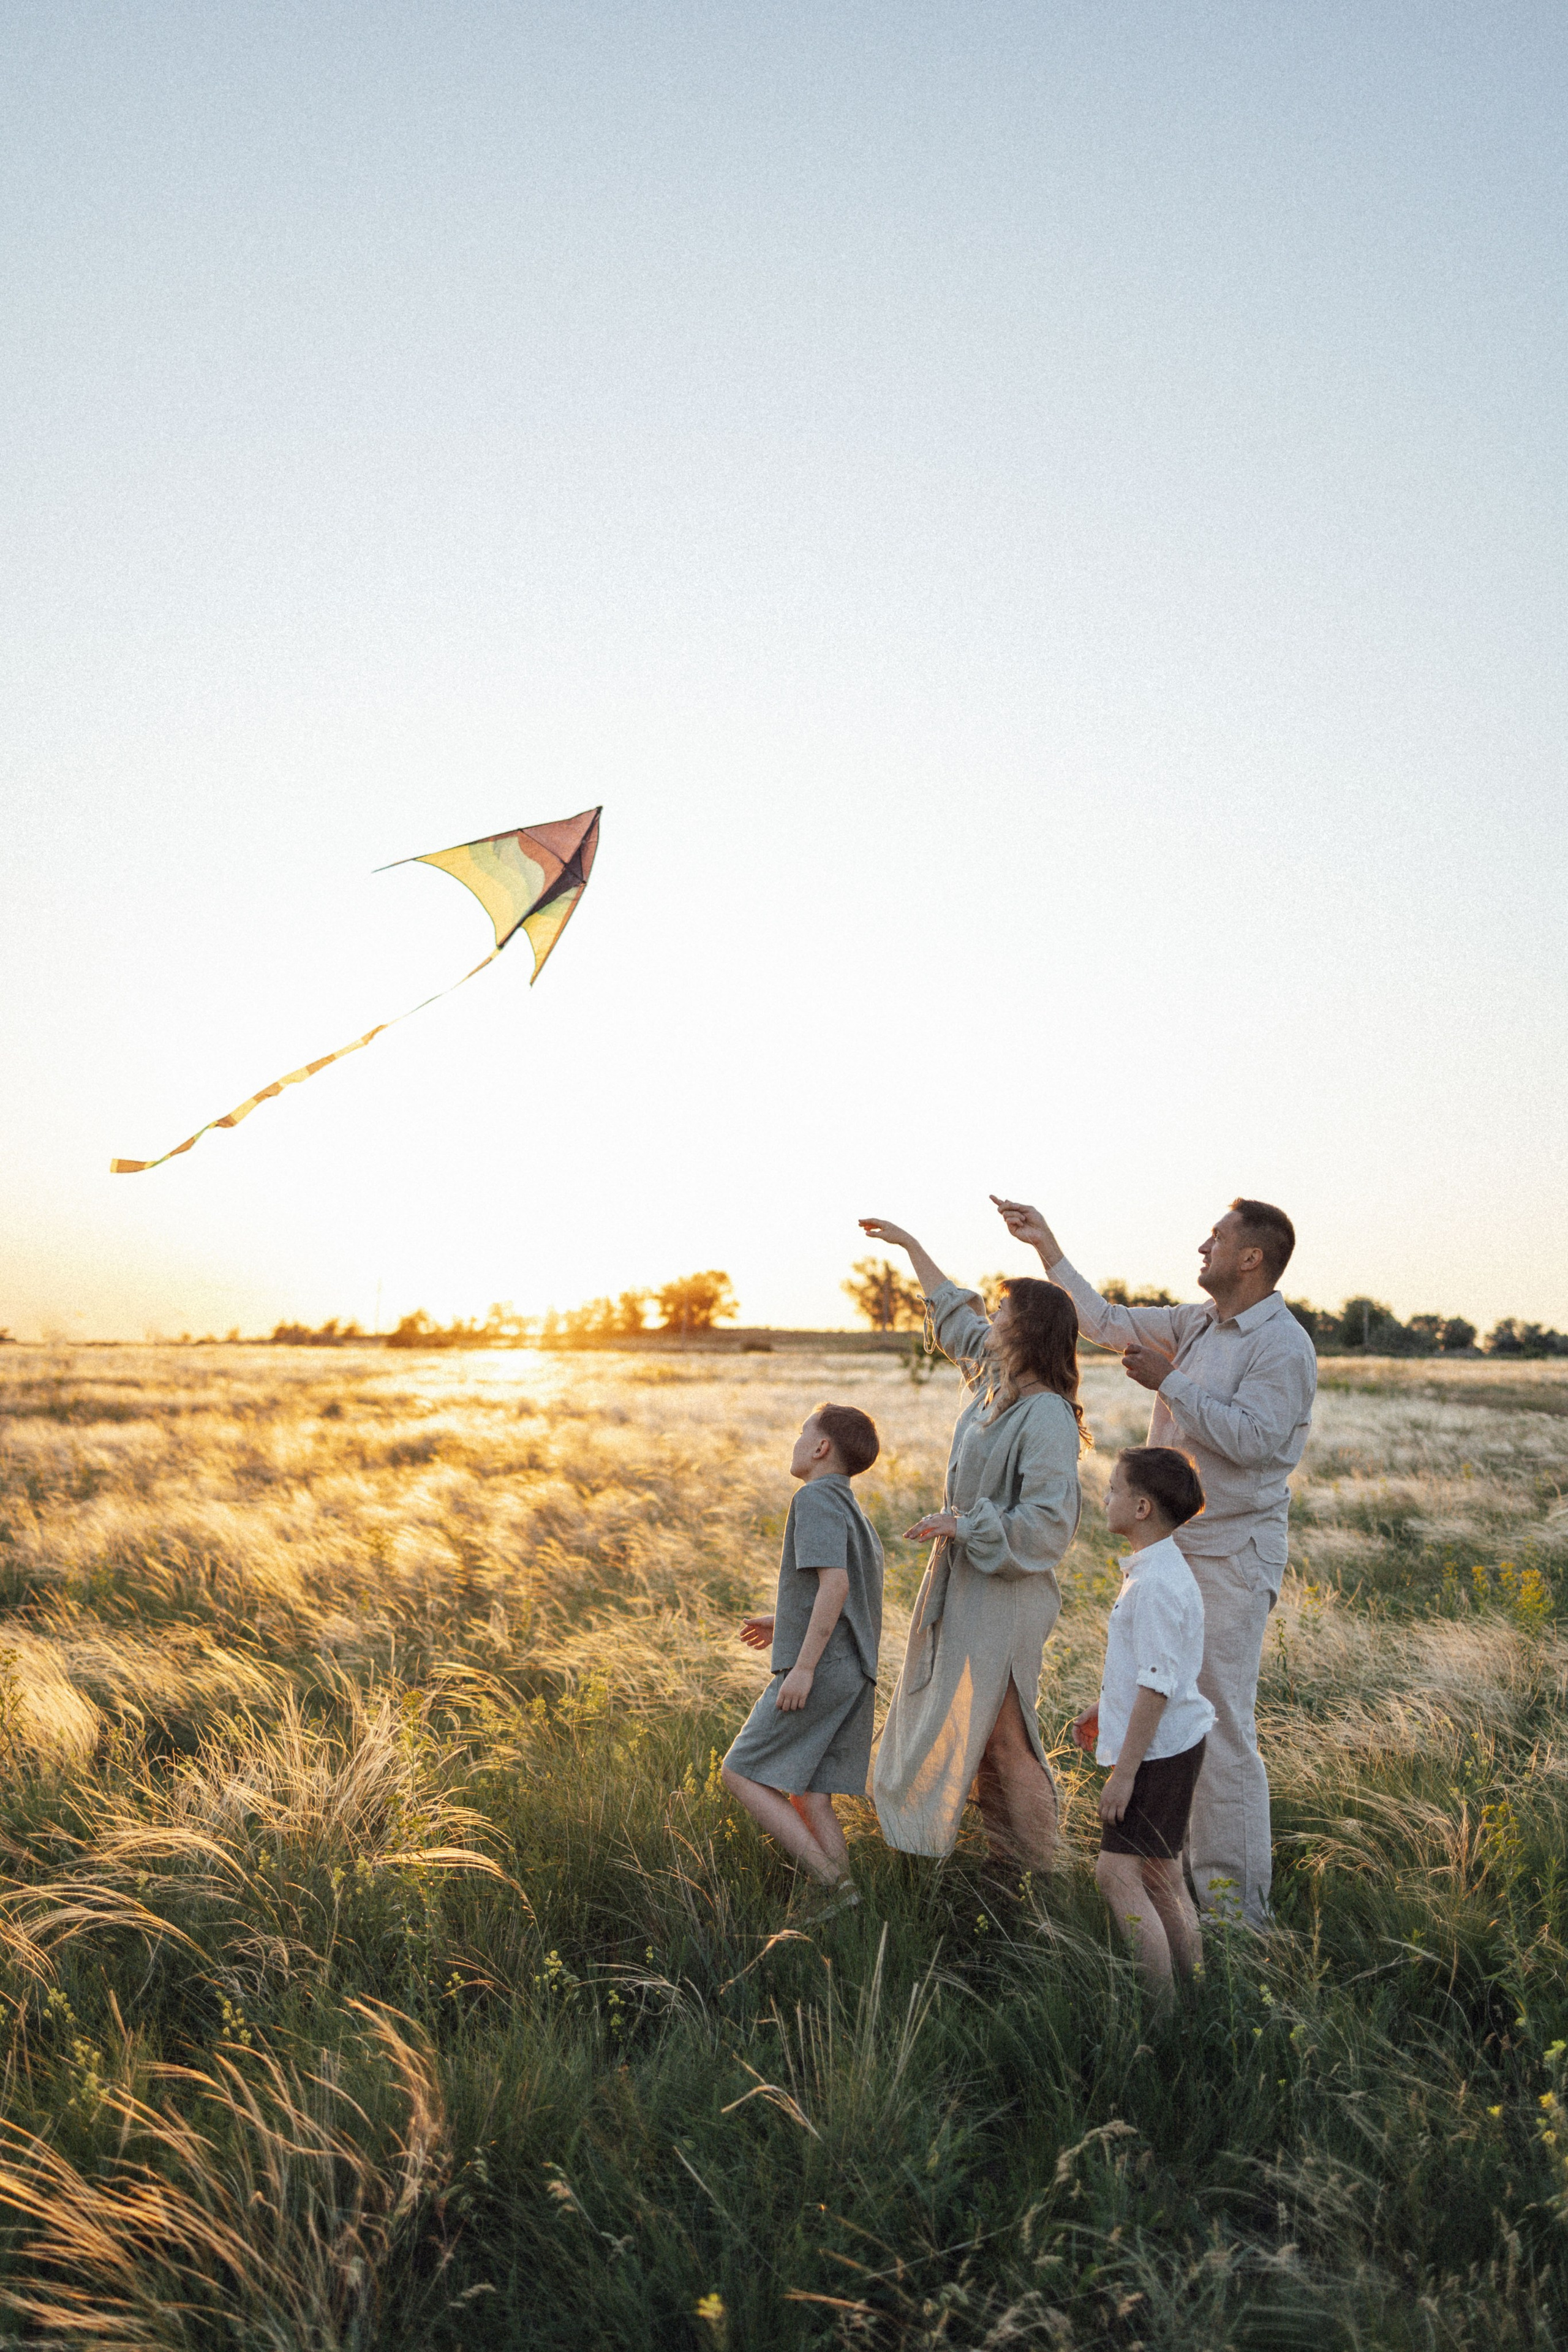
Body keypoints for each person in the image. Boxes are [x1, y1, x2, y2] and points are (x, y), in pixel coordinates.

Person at [992, 1193, 1316, 1929]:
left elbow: (1256, 1441)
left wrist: (1168, 1382)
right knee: (1168, 1717)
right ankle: (1177, 1893)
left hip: (1232, 1555)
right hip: (1178, 1551)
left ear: (1251, 1257)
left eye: (1216, 1238)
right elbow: (1102, 1320)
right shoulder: (1196, 1321)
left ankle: (1237, 1915)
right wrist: (1047, 1247)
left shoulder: (1282, 1345)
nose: (1202, 1247)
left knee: (1219, 1728)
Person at [857, 1218, 1087, 1871]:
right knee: (985, 1738)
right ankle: (1001, 1871)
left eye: (1003, 1312)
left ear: (1027, 1331)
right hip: (969, 1587)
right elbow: (952, 1314)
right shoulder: (994, 1383)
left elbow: (1046, 1523)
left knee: (1008, 1739)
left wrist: (966, 1525)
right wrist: (910, 1246)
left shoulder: (1044, 1413)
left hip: (1007, 1596)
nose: (990, 1317)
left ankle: (1042, 1874)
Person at [720, 1403, 884, 1901]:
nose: (796, 1442)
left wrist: (804, 1667)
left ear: (820, 1448)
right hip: (855, 1668)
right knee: (812, 1795)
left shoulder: (813, 1499)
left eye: (801, 1433)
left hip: (825, 1667)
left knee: (740, 1772)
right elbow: (845, 1590)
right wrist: (786, 1623)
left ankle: (831, 1884)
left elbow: (834, 1585)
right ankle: (849, 1900)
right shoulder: (852, 1508)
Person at [1074, 1447, 1214, 2005]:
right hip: (1175, 1744)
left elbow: (1157, 1684)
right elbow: (1155, 1670)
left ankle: (1160, 2014)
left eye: (1112, 1490)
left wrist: (1124, 1775)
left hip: (1156, 1756)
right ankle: (1195, 1997)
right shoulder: (1156, 1569)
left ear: (1140, 1506)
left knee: (1117, 1876)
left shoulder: (1154, 1584)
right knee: (1161, 1874)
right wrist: (1105, 1707)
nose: (1103, 1498)